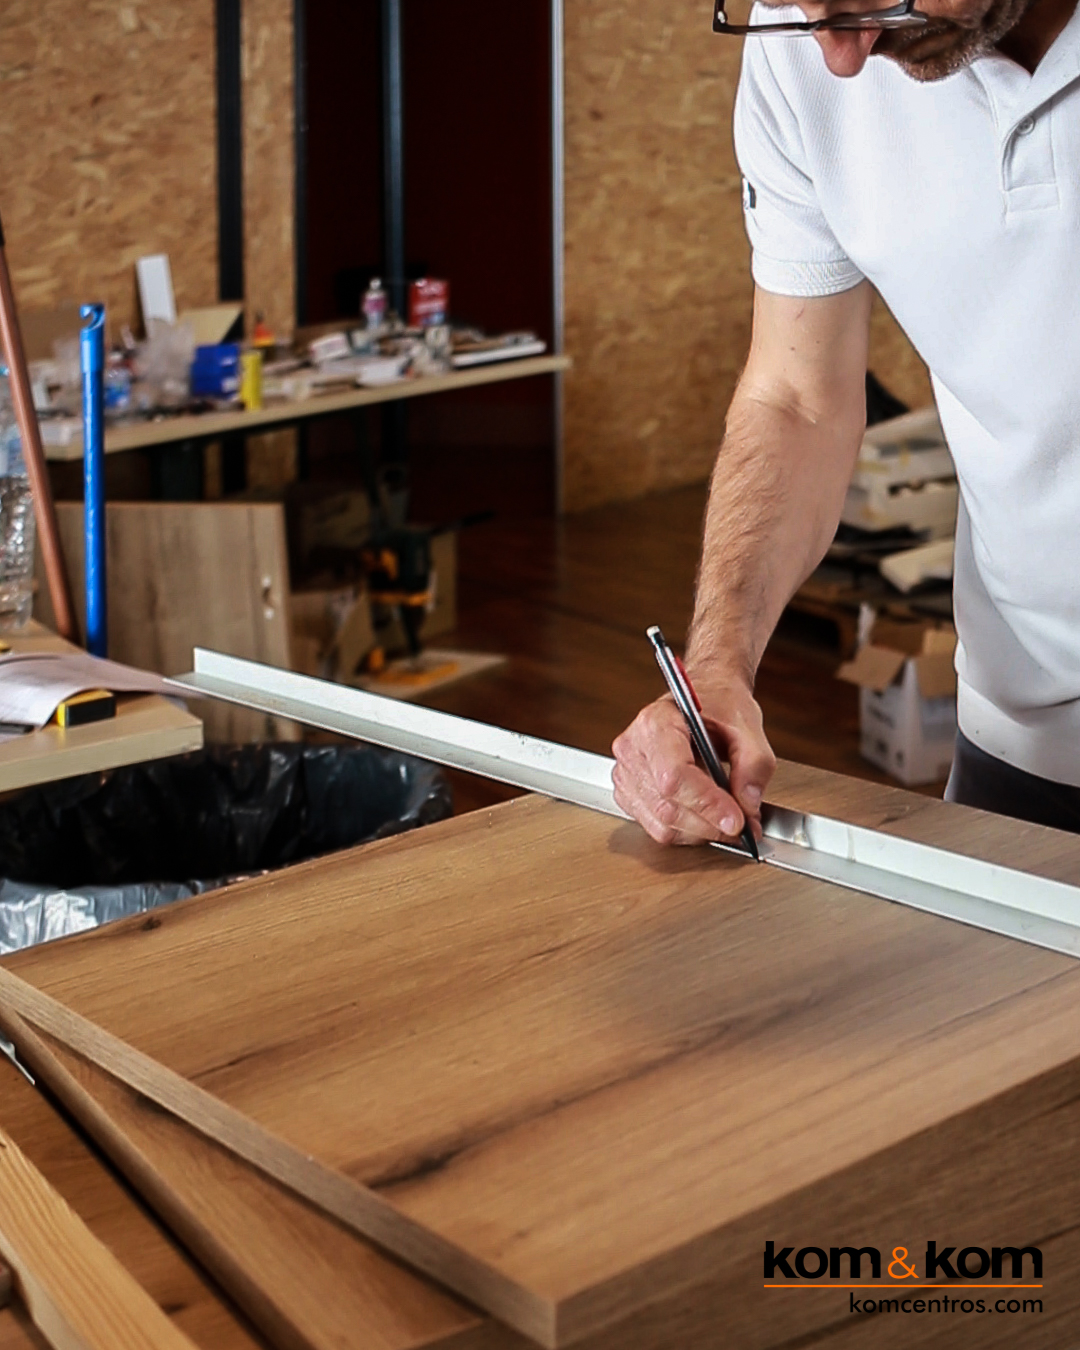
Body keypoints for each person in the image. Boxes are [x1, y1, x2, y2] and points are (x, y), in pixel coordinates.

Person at [612, 0, 1080, 842]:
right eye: (802, 9)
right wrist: (718, 665)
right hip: (1024, 742)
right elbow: (798, 397)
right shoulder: (805, 50)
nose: (839, 55)